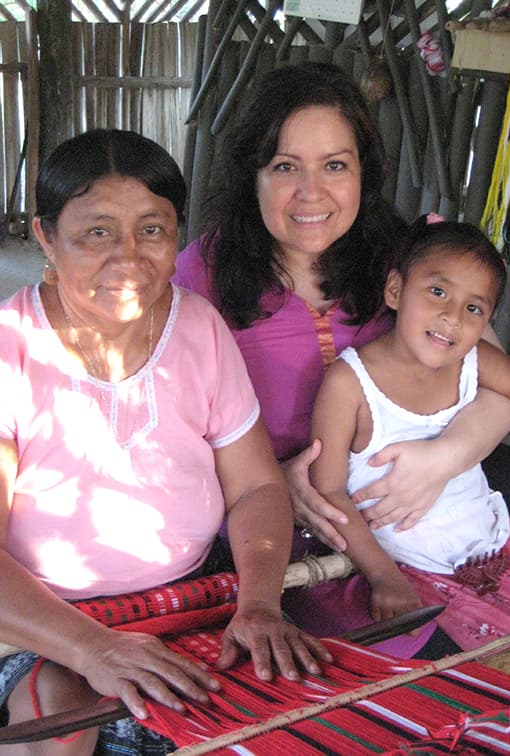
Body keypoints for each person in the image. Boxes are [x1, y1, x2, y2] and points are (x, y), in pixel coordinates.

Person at [0, 129, 330, 756]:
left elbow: (258, 484)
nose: (128, 258)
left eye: (152, 230)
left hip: (192, 599)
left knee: (278, 712)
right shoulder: (9, 345)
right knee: (60, 729)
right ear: (45, 236)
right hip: (40, 621)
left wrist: (259, 604)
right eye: (96, 232)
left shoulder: (198, 327)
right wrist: (92, 648)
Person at [173, 62, 510, 646]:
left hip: (437, 505)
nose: (312, 193)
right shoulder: (202, 275)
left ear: (364, 171)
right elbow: (174, 435)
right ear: (251, 174)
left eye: (335, 165)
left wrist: (446, 458)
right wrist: (270, 483)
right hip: (290, 537)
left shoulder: (409, 253)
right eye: (285, 167)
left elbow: (495, 372)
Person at [310, 216, 510, 667]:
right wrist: (382, 575)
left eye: (474, 309)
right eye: (438, 292)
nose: (453, 317)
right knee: (508, 682)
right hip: (418, 571)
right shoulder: (350, 385)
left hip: (496, 545)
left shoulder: (474, 359)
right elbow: (328, 490)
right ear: (395, 291)